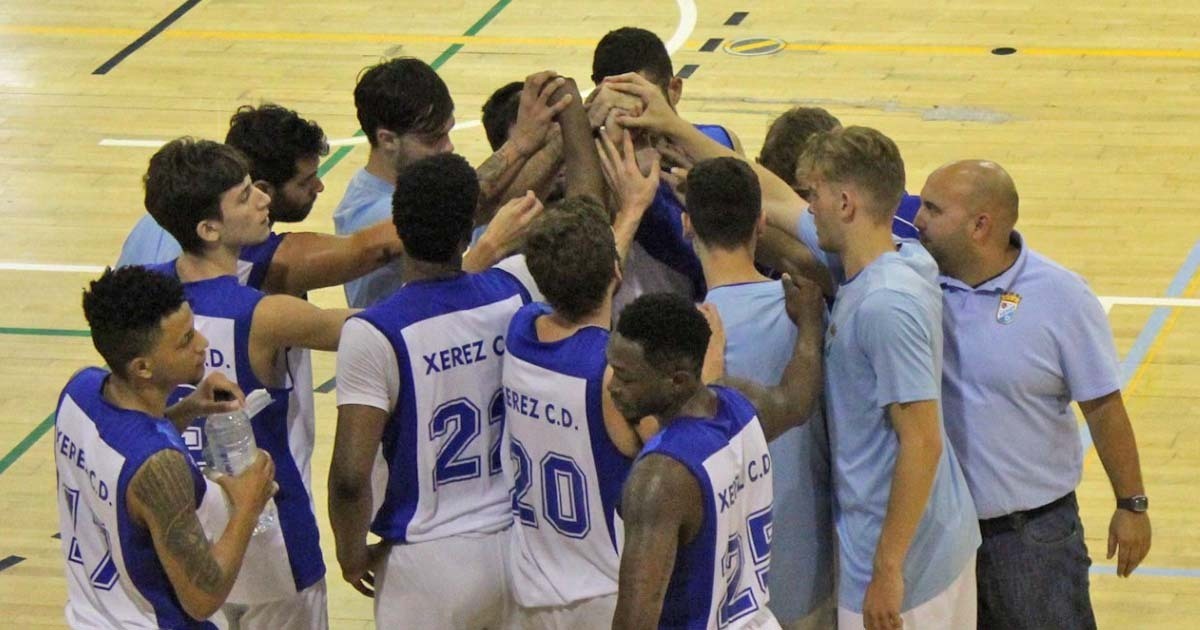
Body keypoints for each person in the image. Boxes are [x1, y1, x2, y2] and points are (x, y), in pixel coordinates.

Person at [914, 159, 1151, 629]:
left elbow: (1103, 408)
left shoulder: (1061, 296)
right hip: (942, 541)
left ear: (980, 226)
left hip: (1031, 541)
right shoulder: (917, 283)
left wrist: (1132, 505)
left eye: (933, 209)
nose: (917, 219)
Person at [143, 137, 356, 629]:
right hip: (271, 545)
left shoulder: (143, 298)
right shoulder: (262, 315)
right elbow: (379, 330)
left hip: (185, 544)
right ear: (208, 228)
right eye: (245, 196)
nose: (264, 199)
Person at [328, 152, 545, 628]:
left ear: (398, 229)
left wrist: (350, 554)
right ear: (469, 229)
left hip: (426, 561)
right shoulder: (515, 290)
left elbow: (349, 478)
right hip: (518, 544)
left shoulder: (375, 331)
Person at [792, 127, 980, 629]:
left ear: (846, 203)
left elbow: (921, 441)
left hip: (905, 572)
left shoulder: (884, 306)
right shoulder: (908, 257)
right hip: (927, 545)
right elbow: (778, 209)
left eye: (814, 195)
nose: (808, 207)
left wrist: (888, 569)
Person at [500, 119, 664, 626]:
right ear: (616, 273)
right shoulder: (614, 376)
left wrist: (629, 214)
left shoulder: (520, 332)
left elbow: (587, 280)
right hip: (603, 593)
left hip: (529, 586)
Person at [56, 265, 275, 628]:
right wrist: (248, 505)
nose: (202, 344)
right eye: (186, 340)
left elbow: (122, 453)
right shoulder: (159, 466)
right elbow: (202, 597)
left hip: (91, 616)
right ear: (143, 367)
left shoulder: (78, 392)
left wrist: (187, 409)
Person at [608, 281, 824, 630]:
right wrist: (811, 322)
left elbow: (635, 621)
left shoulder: (660, 477)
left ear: (677, 381)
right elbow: (796, 401)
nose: (612, 387)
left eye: (626, 377)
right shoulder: (740, 404)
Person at [683, 157, 836, 629]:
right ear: (762, 223)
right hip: (810, 564)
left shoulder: (687, 338)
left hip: (730, 581)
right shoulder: (808, 309)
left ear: (687, 226)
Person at [333, 58, 569, 307]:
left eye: (448, 132)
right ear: (388, 140)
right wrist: (489, 249)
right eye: (433, 139)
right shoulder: (373, 214)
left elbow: (493, 200)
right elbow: (431, 299)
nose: (448, 147)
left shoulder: (418, 185)